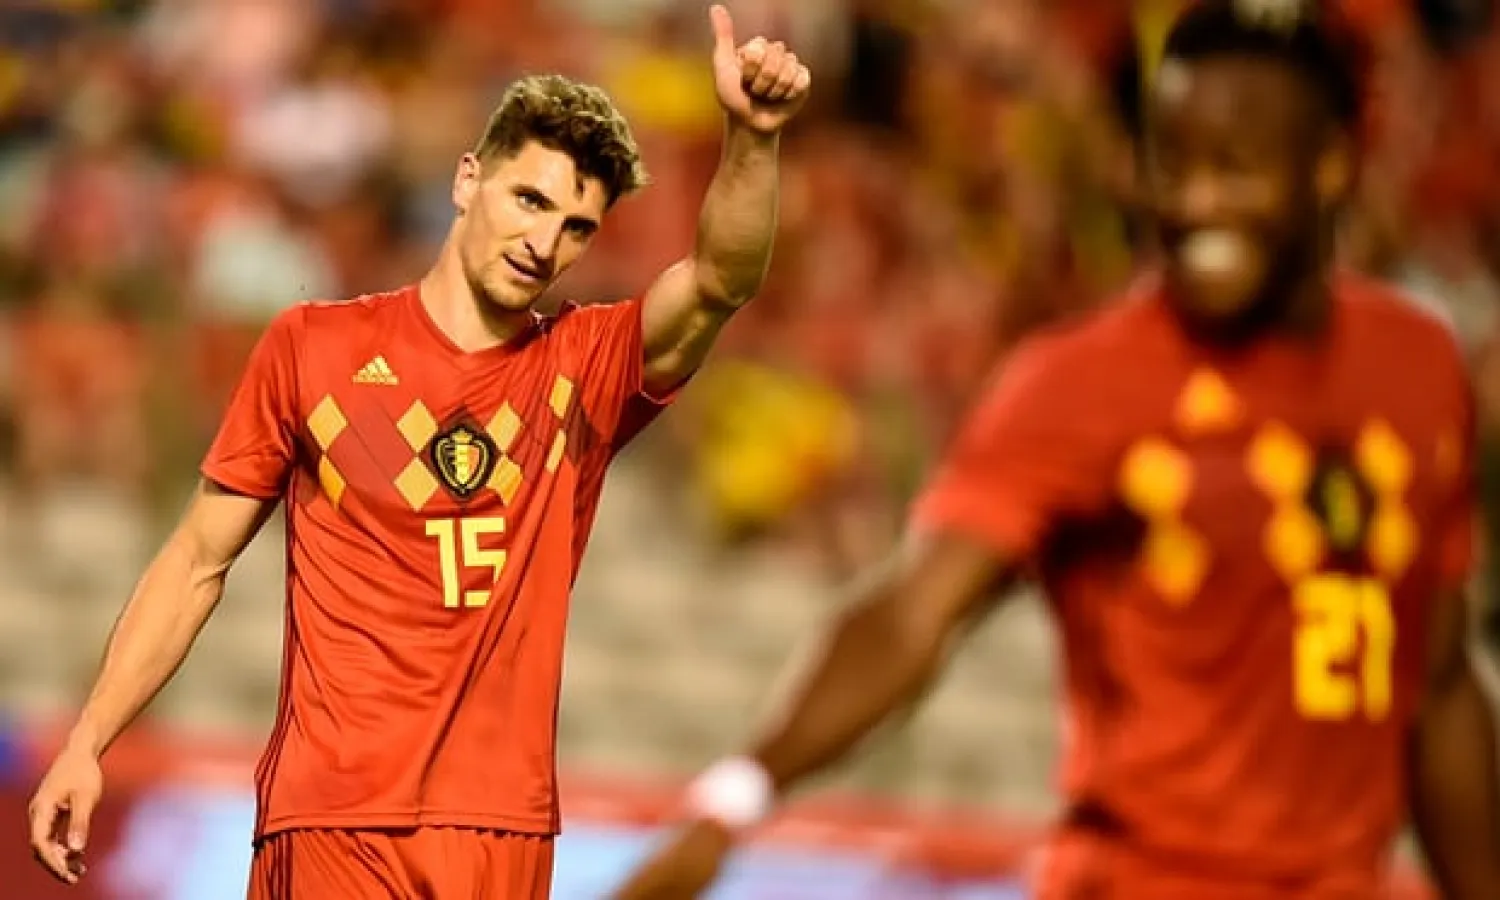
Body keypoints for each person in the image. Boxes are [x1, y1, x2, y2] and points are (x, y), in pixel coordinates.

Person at [614, 2, 1500, 898]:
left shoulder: (1418, 370)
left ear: (1331, 166)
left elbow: (1440, 681)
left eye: (1234, 168)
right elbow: (915, 613)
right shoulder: (1087, 382)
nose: (1193, 201)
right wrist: (740, 792)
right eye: (1173, 161)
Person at [25, 6, 811, 898]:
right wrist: (90, 739)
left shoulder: (584, 370)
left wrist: (752, 139)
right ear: (467, 179)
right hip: (331, 821)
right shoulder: (311, 348)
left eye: (577, 226)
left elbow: (720, 281)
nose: (545, 242)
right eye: (531, 199)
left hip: (498, 832)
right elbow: (199, 559)